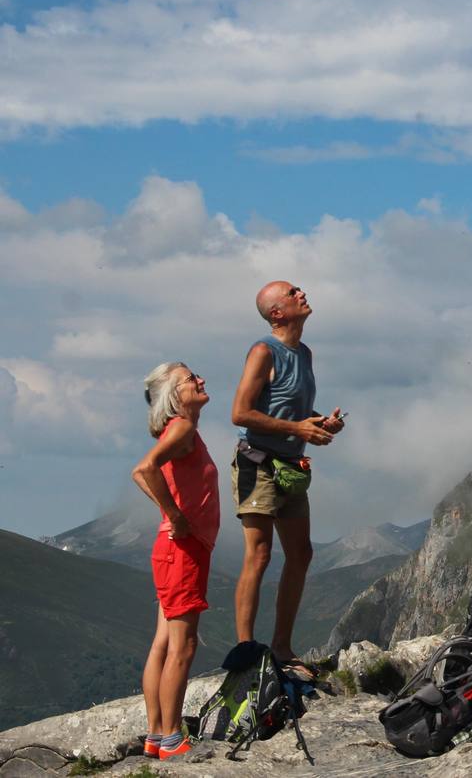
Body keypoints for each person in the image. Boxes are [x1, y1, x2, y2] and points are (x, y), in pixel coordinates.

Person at [230, 281, 344, 676]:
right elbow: (240, 413)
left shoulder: (305, 353)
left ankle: (281, 647)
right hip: (259, 463)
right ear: (277, 313)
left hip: (290, 466)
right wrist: (298, 429)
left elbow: (288, 406)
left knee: (301, 554)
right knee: (259, 554)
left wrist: (318, 422)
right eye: (293, 292)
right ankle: (246, 650)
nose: (302, 293)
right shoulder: (264, 351)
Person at [132, 362, 219, 761]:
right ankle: (171, 739)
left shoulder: (181, 431)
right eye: (190, 379)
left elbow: (143, 474)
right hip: (183, 551)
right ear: (174, 394)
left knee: (163, 644)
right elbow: (143, 469)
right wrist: (177, 516)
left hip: (174, 550)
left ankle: (155, 734)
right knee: (181, 649)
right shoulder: (182, 428)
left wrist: (170, 513)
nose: (199, 380)